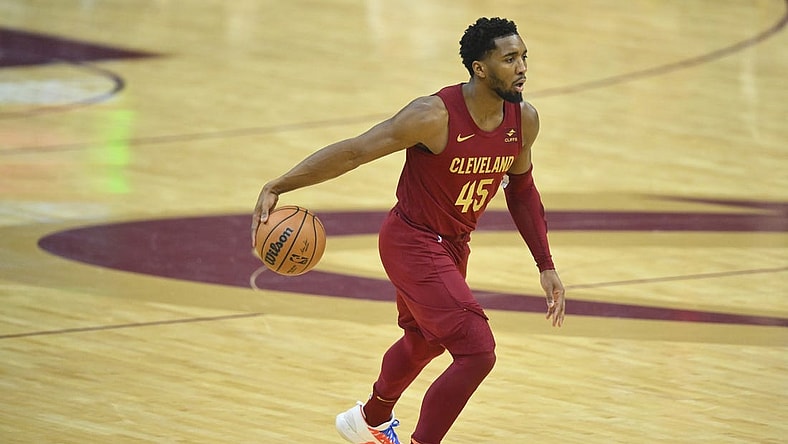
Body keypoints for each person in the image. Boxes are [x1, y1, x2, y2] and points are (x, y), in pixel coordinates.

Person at [252, 16, 566, 444]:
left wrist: (545, 263)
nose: (522, 67)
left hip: (453, 245)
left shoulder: (523, 120)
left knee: (423, 341)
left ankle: (368, 419)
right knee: (477, 352)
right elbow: (355, 151)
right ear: (479, 68)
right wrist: (280, 184)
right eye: (509, 59)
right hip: (412, 240)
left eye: (524, 56)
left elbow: (523, 189)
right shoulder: (432, 116)